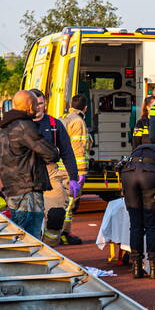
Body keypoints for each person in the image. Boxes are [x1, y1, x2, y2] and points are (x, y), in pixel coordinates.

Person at [0, 91, 59, 238]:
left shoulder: (5, 127)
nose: (38, 107)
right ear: (30, 105)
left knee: (18, 235)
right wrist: (55, 150)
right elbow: (50, 154)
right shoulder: (24, 126)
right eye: (36, 104)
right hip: (28, 188)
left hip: (13, 187)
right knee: (31, 237)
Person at [28, 89, 81, 245]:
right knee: (29, 219)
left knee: (57, 215)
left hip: (50, 173)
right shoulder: (21, 125)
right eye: (34, 104)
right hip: (27, 174)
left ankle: (49, 245)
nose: (38, 107)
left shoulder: (54, 124)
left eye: (41, 103)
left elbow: (67, 152)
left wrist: (73, 178)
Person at [118, 142, 155, 279]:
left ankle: (137, 268)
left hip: (128, 173)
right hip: (150, 175)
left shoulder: (138, 150)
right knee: (151, 225)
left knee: (135, 225)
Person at [60, 94, 91, 245]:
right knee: (70, 202)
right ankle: (64, 233)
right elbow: (78, 149)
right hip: (72, 169)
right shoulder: (78, 122)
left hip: (60, 166)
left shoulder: (64, 118)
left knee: (63, 201)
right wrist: (81, 172)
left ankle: (60, 231)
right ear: (85, 108)